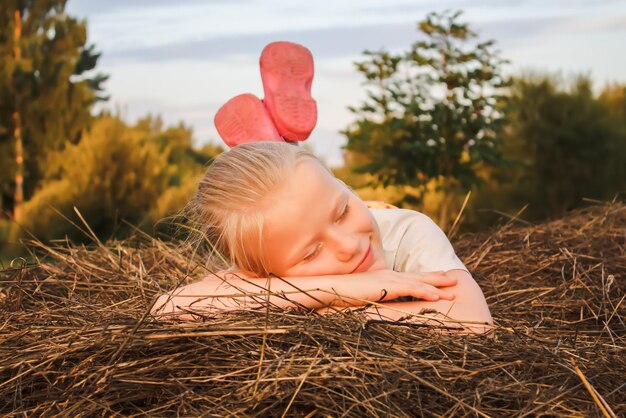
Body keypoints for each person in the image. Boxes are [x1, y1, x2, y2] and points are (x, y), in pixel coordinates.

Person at [151, 42, 493, 334]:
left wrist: (331, 311)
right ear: (260, 272)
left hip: (373, 210)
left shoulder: (406, 232)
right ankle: (278, 143)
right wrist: (341, 287)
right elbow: (165, 309)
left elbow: (475, 320)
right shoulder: (258, 258)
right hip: (301, 217)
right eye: (311, 253)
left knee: (298, 184)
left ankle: (282, 143)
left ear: (345, 187)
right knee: (295, 197)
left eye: (343, 212)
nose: (347, 246)